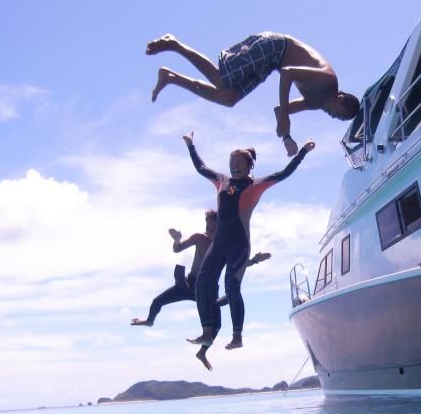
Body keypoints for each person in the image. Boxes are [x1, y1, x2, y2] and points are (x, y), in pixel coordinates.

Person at [182, 130, 315, 370]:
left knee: (232, 286)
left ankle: (237, 337)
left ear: (249, 165)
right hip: (219, 243)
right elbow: (201, 168)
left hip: (238, 245)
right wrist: (191, 145)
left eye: (239, 163)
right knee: (203, 280)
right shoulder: (221, 181)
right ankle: (207, 331)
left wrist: (303, 151)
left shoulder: (256, 185)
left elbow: (284, 173)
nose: (234, 167)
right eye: (231, 163)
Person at [146, 32, 359, 156]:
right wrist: (285, 116)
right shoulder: (328, 80)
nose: (334, 117)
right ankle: (174, 44)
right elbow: (288, 73)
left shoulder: (316, 103)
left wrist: (287, 137)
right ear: (340, 99)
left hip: (274, 63)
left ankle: (171, 77)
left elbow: (279, 110)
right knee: (223, 78)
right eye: (339, 114)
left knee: (227, 97)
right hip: (276, 47)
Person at [130, 210, 272, 326]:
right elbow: (177, 249)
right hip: (187, 284)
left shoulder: (224, 247)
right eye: (207, 228)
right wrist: (177, 240)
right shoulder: (199, 237)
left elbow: (238, 264)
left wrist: (254, 260)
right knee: (157, 301)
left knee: (217, 313)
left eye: (213, 229)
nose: (209, 232)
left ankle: (206, 347)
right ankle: (149, 321)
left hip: (206, 289)